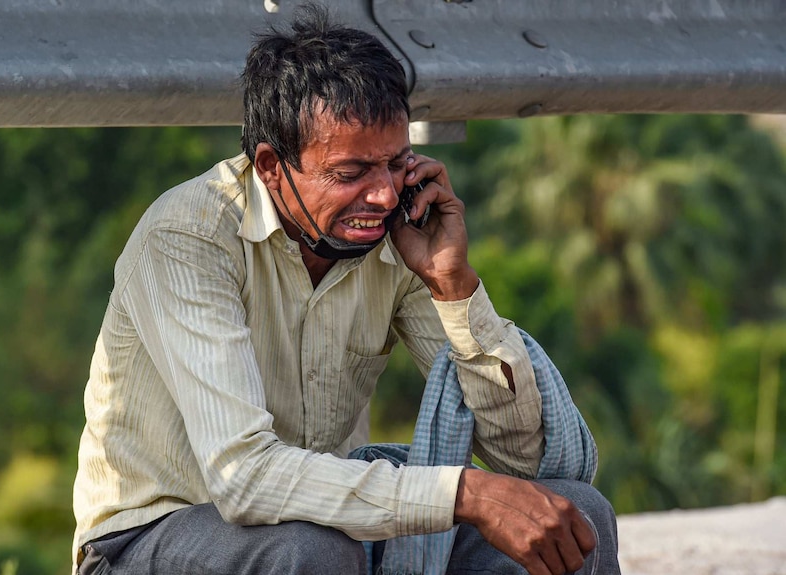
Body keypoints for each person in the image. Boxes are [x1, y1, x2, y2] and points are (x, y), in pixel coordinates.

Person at [71, 5, 620, 574]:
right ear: (269, 166)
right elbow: (242, 479)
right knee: (313, 552)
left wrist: (453, 286)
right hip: (145, 544)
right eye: (351, 173)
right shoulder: (189, 236)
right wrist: (466, 494)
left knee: (576, 517)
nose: (383, 196)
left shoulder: (398, 236)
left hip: (327, 532)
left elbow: (524, 464)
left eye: (395, 164)